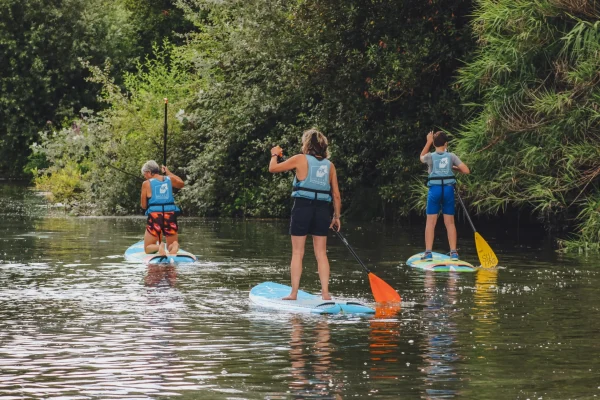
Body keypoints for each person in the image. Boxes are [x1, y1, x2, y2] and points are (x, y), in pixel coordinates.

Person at [269, 128, 342, 300]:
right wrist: (336, 217)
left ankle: (294, 293)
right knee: (321, 253)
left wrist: (274, 154)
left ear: (307, 144)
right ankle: (325, 293)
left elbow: (272, 169)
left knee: (297, 252)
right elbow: (336, 195)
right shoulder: (330, 166)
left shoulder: (299, 159)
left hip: (302, 207)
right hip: (323, 209)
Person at [420, 131, 470, 260]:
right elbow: (466, 170)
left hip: (434, 191)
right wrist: (452, 167)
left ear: (434, 144)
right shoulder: (451, 156)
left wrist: (428, 141)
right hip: (448, 191)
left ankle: (428, 253)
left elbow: (421, 157)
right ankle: (453, 253)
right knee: (450, 223)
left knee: (430, 223)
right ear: (446, 143)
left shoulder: (430, 156)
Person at [140, 160, 185, 256]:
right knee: (171, 246)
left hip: (155, 216)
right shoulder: (169, 179)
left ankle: (159, 247)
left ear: (149, 172)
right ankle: (175, 245)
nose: (144, 176)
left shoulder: (146, 183)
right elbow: (181, 183)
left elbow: (143, 205)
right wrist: (168, 172)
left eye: (144, 174)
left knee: (148, 248)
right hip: (170, 215)